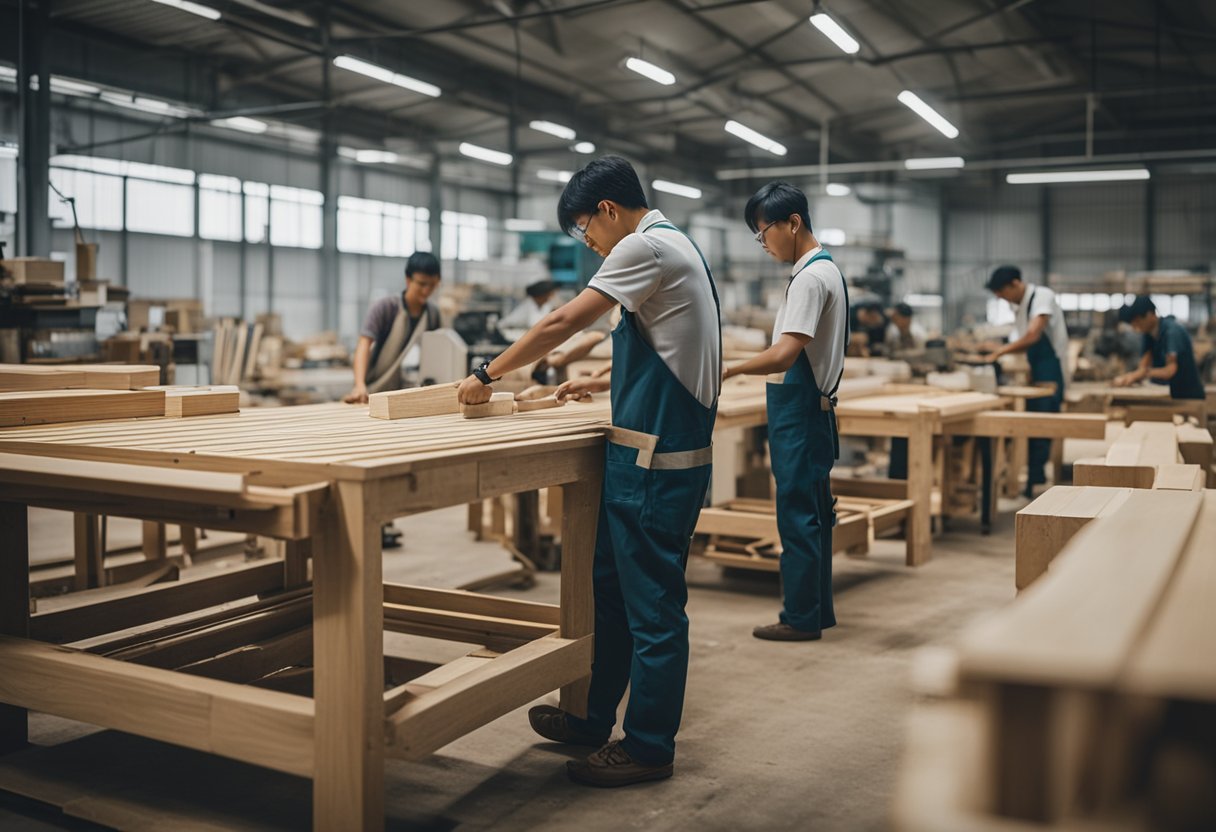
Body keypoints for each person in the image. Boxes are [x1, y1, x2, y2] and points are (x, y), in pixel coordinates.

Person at [456, 155, 721, 787]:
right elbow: (668, 344)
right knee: (611, 593)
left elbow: (561, 319)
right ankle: (592, 717)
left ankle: (650, 745)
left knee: (652, 607)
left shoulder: (642, 246)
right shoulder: (672, 244)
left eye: (584, 230)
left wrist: (487, 373)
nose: (589, 244)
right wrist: (602, 377)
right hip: (640, 454)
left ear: (607, 210)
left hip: (656, 461)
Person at [722, 182, 849, 642]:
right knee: (814, 512)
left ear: (792, 223)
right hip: (810, 410)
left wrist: (728, 369)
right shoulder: (824, 269)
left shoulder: (810, 278)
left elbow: (783, 355)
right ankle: (816, 611)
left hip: (800, 413)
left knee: (797, 516)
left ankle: (799, 617)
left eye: (764, 232)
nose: (764, 243)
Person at [984, 265, 1070, 497]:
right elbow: (1021, 339)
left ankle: (1037, 482)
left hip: (1051, 371)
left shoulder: (1042, 296)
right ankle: (1034, 478)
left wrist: (1000, 352)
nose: (1003, 299)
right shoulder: (1019, 306)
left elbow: (1033, 335)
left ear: (1015, 283)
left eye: (1003, 293)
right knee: (1031, 425)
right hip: (1036, 369)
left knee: (1042, 426)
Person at [343, 251, 442, 404]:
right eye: (422, 284)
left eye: (432, 285)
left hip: (408, 395)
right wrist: (360, 385)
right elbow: (364, 344)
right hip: (375, 391)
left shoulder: (433, 314)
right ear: (408, 280)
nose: (426, 290)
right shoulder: (386, 308)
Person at [1114, 296, 1205, 400]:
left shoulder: (1171, 332)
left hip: (1188, 396)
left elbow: (1171, 370)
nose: (1136, 327)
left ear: (1150, 315)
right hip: (1170, 394)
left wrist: (1145, 373)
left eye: (1138, 321)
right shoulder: (1149, 334)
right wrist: (1127, 378)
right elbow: (1143, 365)